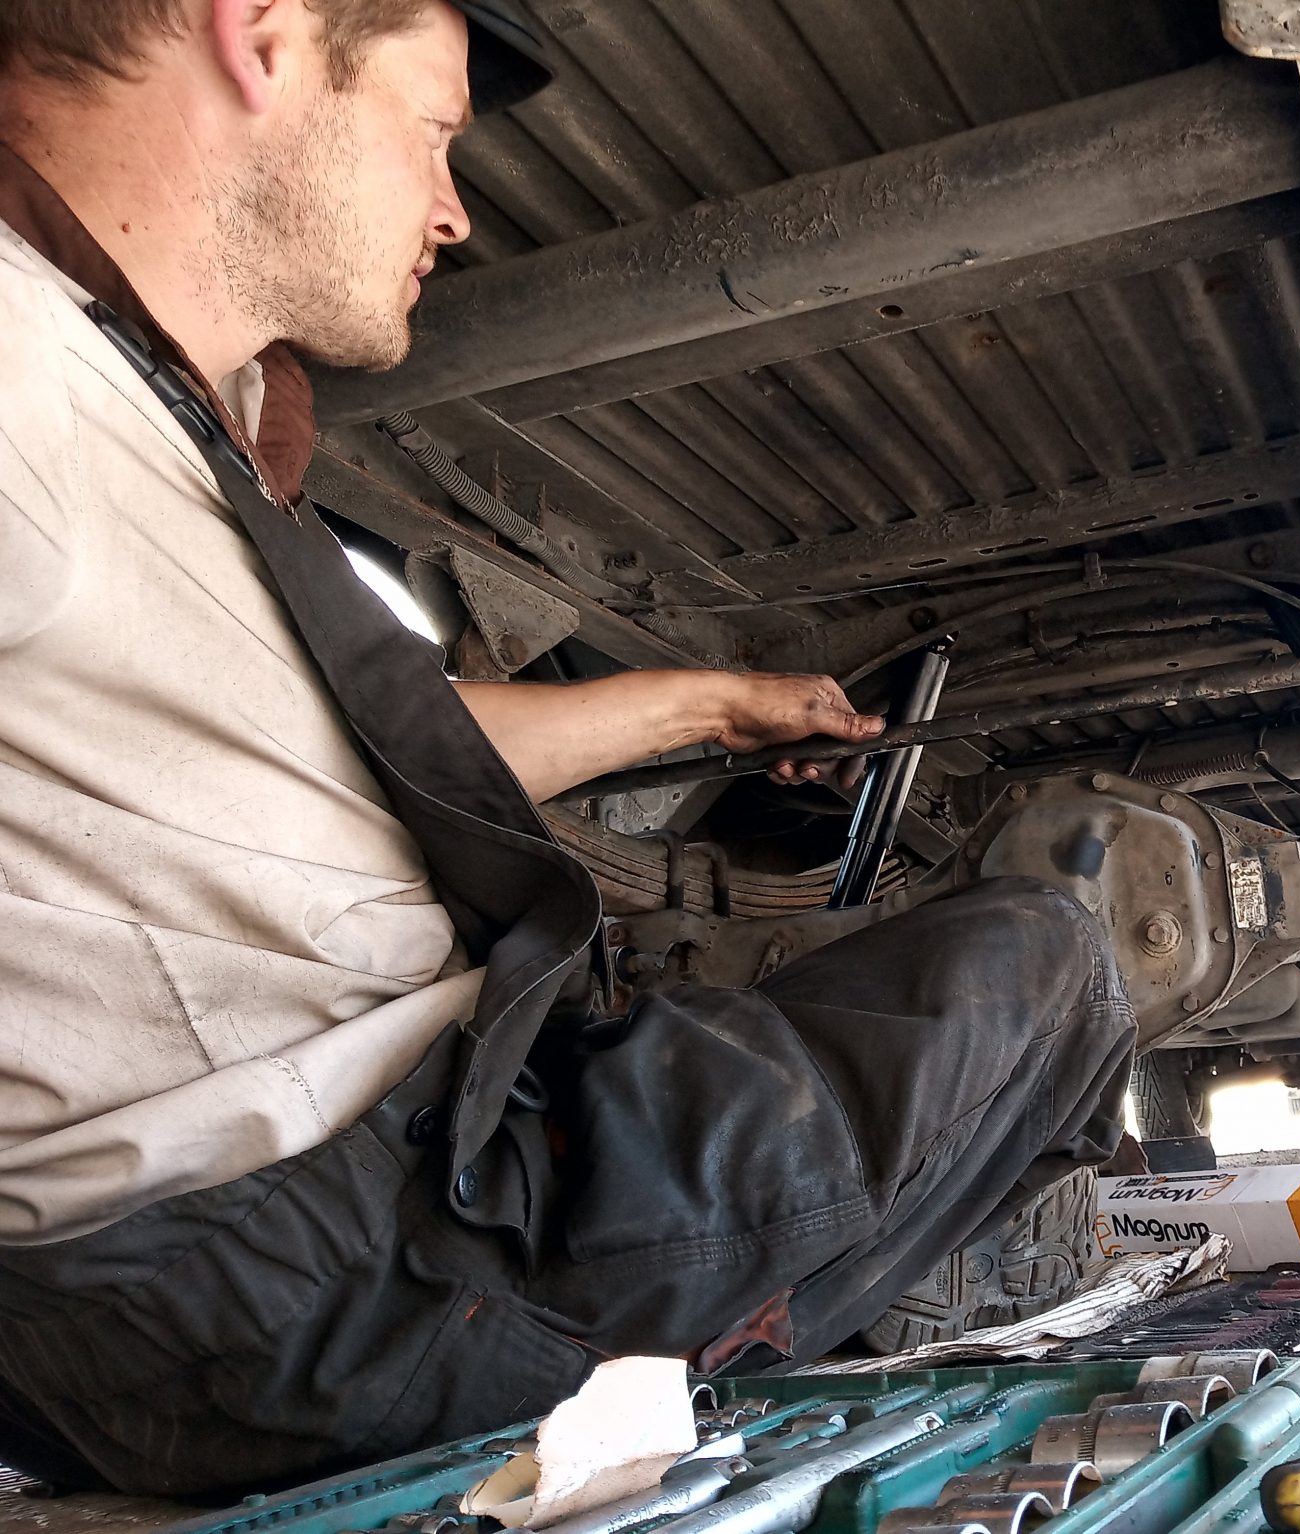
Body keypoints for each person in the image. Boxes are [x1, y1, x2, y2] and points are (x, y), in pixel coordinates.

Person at [0, 0, 1135, 1498]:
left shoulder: (121, 401)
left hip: (199, 1307)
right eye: (434, 129)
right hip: (356, 1270)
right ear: (260, 36)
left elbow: (380, 756)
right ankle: (753, 1354)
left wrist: (717, 707)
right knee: (1048, 969)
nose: (453, 209)